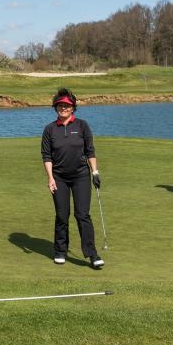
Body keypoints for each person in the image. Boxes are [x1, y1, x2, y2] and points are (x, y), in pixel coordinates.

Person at [41, 88, 105, 268]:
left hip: (81, 176)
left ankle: (92, 254)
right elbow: (47, 156)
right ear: (56, 107)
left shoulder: (82, 126)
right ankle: (60, 251)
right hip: (59, 177)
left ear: (73, 108)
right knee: (62, 215)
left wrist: (95, 172)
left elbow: (90, 151)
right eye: (60, 105)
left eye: (67, 106)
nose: (63, 108)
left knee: (82, 214)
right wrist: (51, 178)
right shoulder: (50, 129)